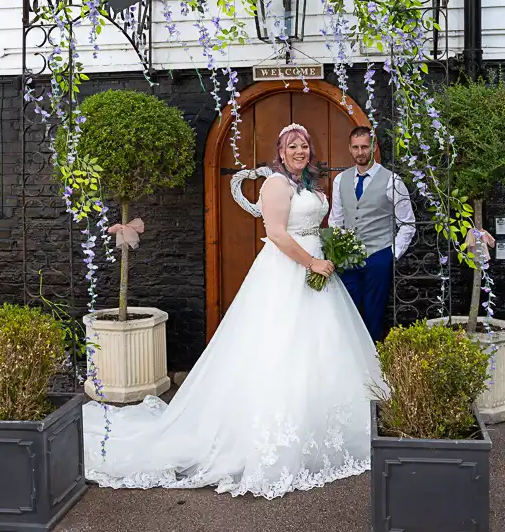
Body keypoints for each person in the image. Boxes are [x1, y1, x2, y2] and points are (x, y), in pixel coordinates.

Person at [83, 123, 382, 500]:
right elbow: (275, 232)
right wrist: (311, 262)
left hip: (317, 272)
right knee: (280, 349)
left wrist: (328, 252)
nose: (300, 151)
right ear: (281, 150)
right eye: (292, 145)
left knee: (322, 350)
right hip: (288, 273)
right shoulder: (276, 184)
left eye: (304, 145)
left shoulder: (309, 185)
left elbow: (309, 225)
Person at [328, 126, 416, 343]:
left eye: (365, 147)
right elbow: (335, 220)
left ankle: (373, 369)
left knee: (374, 315)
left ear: (374, 147)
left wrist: (391, 254)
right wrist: (338, 250)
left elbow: (407, 223)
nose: (360, 152)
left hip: (378, 256)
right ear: (349, 149)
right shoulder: (340, 180)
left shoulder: (392, 180)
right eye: (356, 147)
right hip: (348, 259)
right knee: (347, 312)